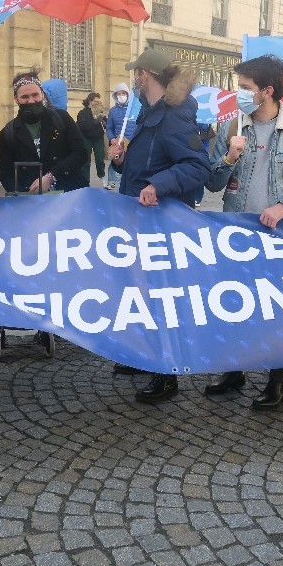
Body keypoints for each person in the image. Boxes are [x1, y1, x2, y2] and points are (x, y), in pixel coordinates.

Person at [202, 56, 283, 409]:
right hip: (239, 237)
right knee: (236, 304)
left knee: (280, 308)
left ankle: (277, 380)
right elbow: (211, 183)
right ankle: (234, 369)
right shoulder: (232, 128)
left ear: (268, 91)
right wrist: (228, 158)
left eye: (245, 88)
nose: (238, 93)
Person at [109, 48, 211, 403]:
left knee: (162, 297)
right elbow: (146, 167)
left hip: (162, 224)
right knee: (143, 293)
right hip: (140, 220)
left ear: (144, 76)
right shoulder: (149, 113)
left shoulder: (174, 115)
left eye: (136, 74)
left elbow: (199, 167)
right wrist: (122, 162)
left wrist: (159, 185)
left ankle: (166, 373)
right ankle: (145, 357)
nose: (134, 80)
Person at [0, 71, 88, 194]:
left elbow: (81, 153)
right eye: (25, 97)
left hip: (69, 196)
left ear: (42, 95)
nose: (31, 100)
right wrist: (23, 194)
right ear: (16, 99)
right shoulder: (8, 132)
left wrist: (51, 176)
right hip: (31, 201)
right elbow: (6, 174)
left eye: (35, 95)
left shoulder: (61, 118)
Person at [105, 83, 137, 189]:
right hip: (119, 145)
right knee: (117, 165)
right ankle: (114, 186)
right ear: (115, 96)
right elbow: (109, 128)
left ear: (128, 94)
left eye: (123, 93)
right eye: (119, 94)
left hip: (133, 144)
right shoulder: (112, 111)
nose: (121, 95)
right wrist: (112, 138)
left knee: (132, 167)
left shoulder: (135, 109)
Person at [77, 92, 108, 187]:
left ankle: (102, 177)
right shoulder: (83, 113)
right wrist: (95, 122)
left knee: (100, 158)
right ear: (90, 101)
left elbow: (106, 124)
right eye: (95, 101)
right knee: (86, 160)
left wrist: (103, 121)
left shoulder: (99, 111)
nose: (97, 103)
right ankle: (85, 181)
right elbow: (82, 126)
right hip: (86, 138)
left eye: (98, 101)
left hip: (98, 138)